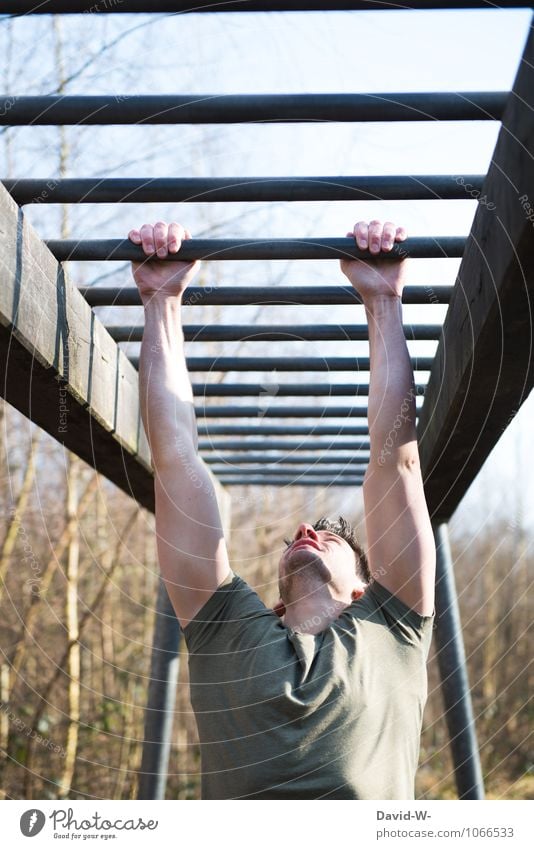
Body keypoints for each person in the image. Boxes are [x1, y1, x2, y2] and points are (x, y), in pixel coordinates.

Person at [128, 219, 436, 800]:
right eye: (312, 533)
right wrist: (161, 301)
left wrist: (384, 300)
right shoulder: (229, 633)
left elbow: (395, 460)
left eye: (329, 537)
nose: (303, 530)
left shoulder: (393, 630)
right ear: (272, 603)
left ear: (364, 593)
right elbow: (174, 460)